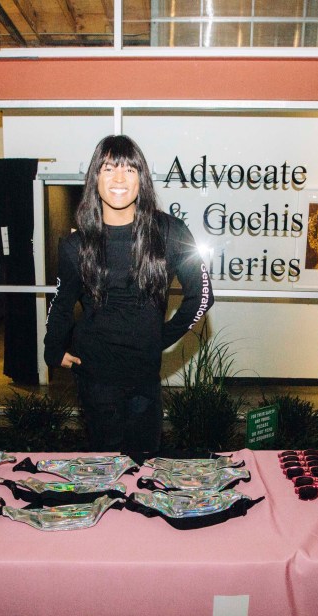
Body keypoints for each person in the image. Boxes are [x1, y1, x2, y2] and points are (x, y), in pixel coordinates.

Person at [44, 135, 213, 454]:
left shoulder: (170, 233)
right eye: (109, 168)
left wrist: (160, 338)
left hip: (143, 376)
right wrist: (53, 349)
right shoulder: (75, 246)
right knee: (106, 464)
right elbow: (62, 304)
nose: (119, 178)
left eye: (129, 169)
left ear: (142, 179)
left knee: (144, 461)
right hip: (94, 375)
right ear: (95, 178)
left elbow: (202, 295)